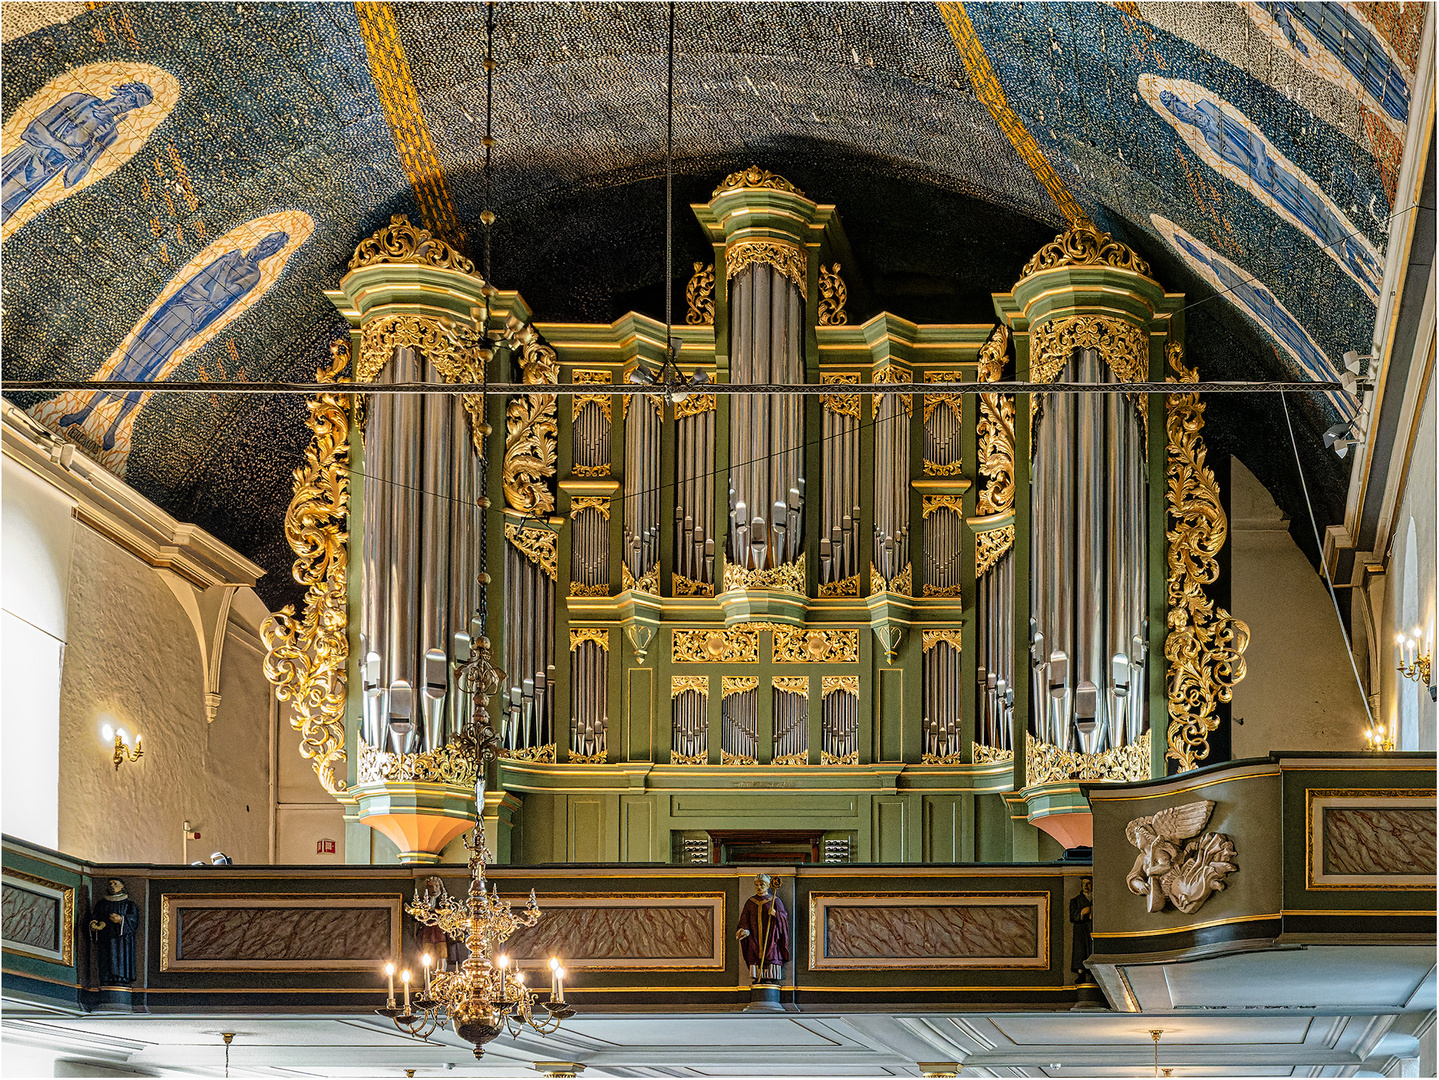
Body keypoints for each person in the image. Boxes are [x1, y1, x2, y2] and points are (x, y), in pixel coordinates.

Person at [57, 230, 290, 450]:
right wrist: (207, 295)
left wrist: (204, 304)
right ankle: (85, 411)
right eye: (267, 241)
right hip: (177, 309)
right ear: (261, 240)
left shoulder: (253, 275)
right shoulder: (231, 256)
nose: (266, 247)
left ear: (273, 253)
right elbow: (198, 282)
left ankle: (113, 427)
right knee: (131, 359)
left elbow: (223, 299)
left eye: (272, 247)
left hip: (188, 321)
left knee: (148, 372)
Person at [1159, 89, 1382, 295]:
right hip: (1268, 184)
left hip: (1272, 172)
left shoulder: (1211, 112)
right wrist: (1258, 174)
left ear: (1184, 102)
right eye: (1179, 114)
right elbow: (1237, 163)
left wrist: (1261, 165)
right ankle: (1354, 262)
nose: (1184, 114)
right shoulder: (1208, 138)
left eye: (1180, 106)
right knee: (1309, 218)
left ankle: (1358, 249)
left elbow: (1252, 139)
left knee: (1315, 205)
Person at [1, 82, 154, 223]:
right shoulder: (80, 101)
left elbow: (72, 178)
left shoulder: (110, 133)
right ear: (122, 92)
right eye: (131, 98)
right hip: (25, 158)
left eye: (135, 104)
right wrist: (58, 145)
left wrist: (95, 144)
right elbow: (34, 129)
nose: (128, 104)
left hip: (44, 173)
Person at [735, 873, 789, 983]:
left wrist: (776, 914)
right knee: (754, 954)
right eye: (757, 885)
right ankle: (758, 976)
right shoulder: (751, 902)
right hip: (754, 936)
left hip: (771, 936)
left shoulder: (775, 900)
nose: (759, 887)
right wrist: (743, 930)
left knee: (771, 954)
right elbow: (744, 920)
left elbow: (784, 918)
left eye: (762, 885)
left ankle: (769, 977)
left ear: (768, 886)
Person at [88, 878, 139, 985]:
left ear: (122, 887)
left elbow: (133, 920)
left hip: (121, 939)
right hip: (105, 937)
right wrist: (94, 924)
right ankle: (106, 977)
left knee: (120, 957)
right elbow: (95, 916)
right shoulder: (101, 904)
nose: (112, 886)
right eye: (110, 883)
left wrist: (121, 919)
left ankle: (121, 978)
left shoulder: (129, 904)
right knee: (105, 958)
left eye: (115, 884)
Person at [1069, 878, 1093, 975]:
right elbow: (1073, 916)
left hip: (1091, 929)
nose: (1086, 886)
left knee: (1091, 949)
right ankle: (1080, 972)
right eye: (1083, 884)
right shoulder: (1075, 900)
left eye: (1088, 883)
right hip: (1080, 930)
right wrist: (1082, 913)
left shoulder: (1096, 900)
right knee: (1080, 950)